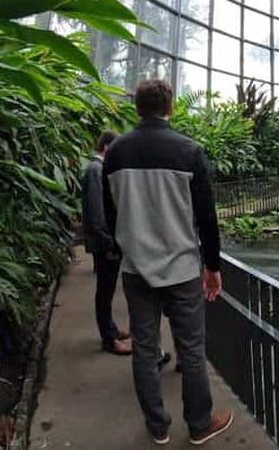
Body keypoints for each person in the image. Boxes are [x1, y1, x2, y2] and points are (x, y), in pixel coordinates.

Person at [102, 79, 232, 446]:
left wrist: (128, 245)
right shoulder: (189, 152)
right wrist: (213, 266)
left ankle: (157, 426)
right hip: (182, 269)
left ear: (137, 108)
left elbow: (112, 216)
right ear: (170, 107)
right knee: (191, 348)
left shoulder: (116, 153)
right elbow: (207, 217)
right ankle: (199, 424)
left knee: (144, 349)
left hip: (136, 269)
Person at [81, 130, 132, 356]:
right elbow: (96, 210)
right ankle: (108, 338)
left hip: (106, 239)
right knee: (105, 289)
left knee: (107, 288)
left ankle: (110, 328)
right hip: (104, 242)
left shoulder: (98, 169)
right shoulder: (95, 170)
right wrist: (107, 240)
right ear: (107, 147)